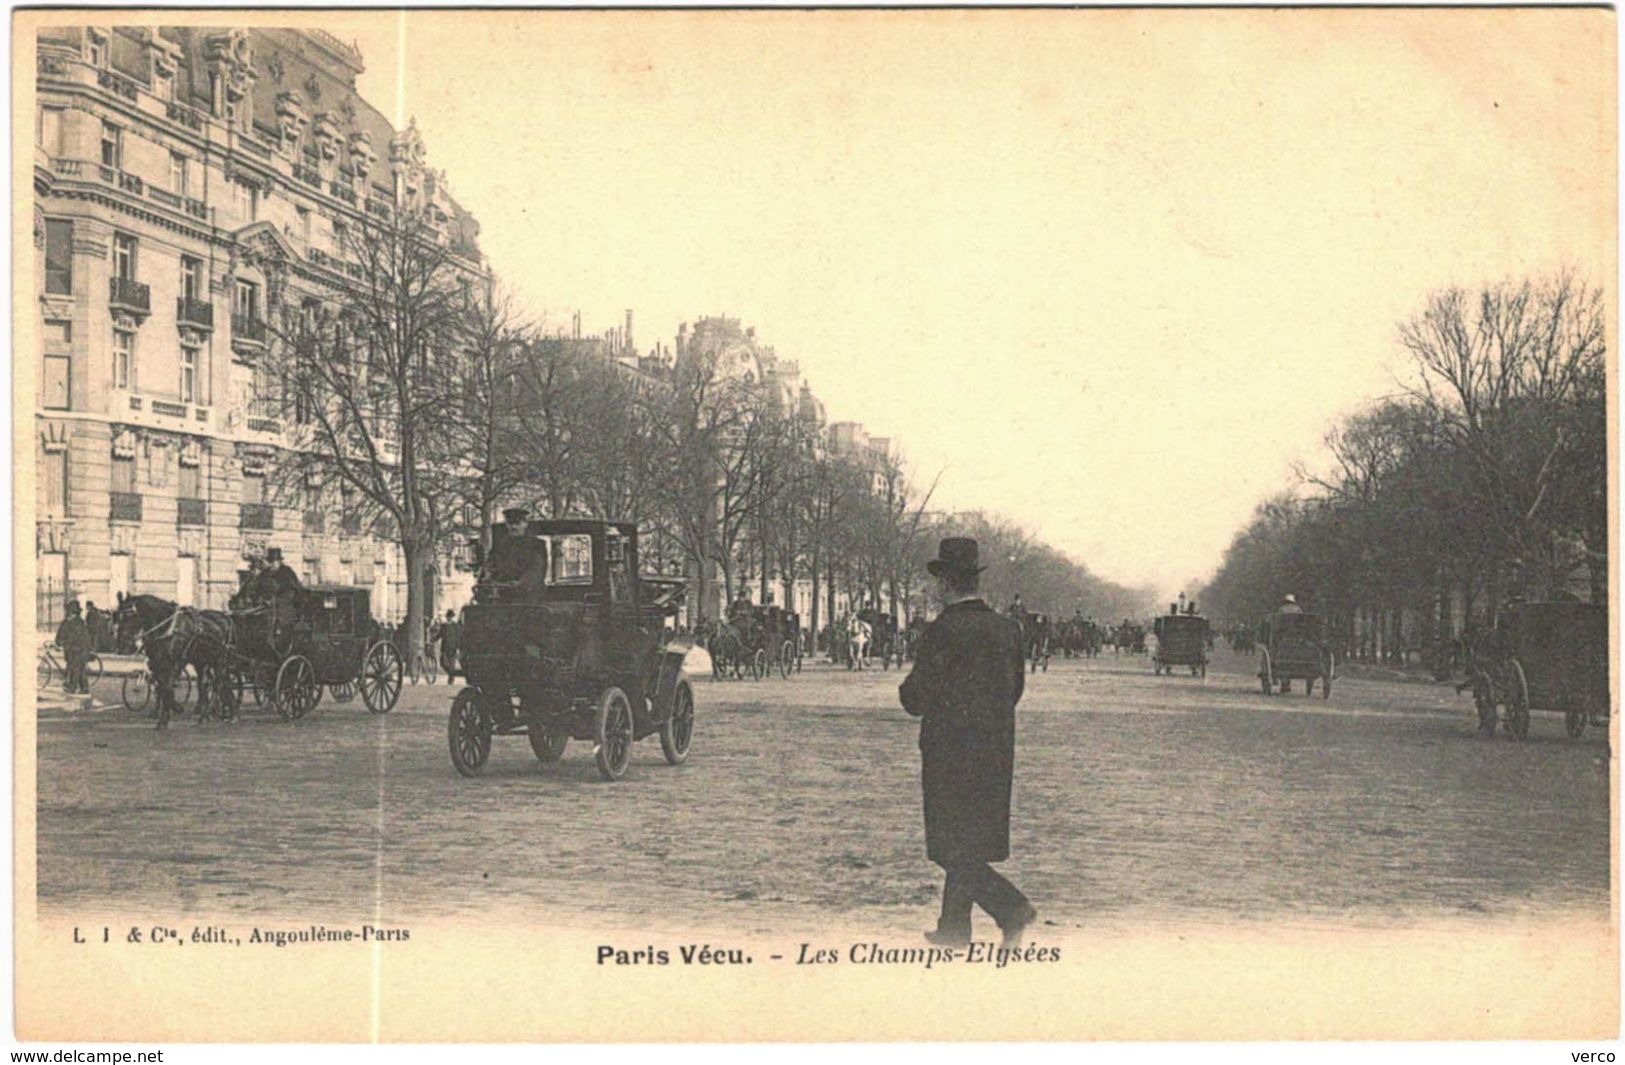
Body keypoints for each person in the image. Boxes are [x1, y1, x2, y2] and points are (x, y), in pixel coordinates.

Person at [899, 537, 1037, 948]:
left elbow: (916, 698)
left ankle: (1011, 908)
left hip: (948, 754)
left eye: (936, 582)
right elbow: (1015, 689)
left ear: (946, 584)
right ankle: (954, 928)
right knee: (971, 841)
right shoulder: (1006, 629)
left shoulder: (942, 631)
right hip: (994, 752)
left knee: (947, 846)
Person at [56, 600, 93, 694]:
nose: (68, 614)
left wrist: (62, 642)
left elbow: (73, 637)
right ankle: (84, 688)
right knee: (80, 670)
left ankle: (73, 687)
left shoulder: (76, 623)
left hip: (78, 650)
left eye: (70, 612)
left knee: (75, 669)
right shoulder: (76, 622)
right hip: (77, 650)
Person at [438, 609, 462, 677]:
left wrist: (458, 647)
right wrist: (432, 640)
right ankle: (450, 672)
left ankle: (451, 677)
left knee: (452, 663)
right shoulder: (444, 626)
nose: (449, 618)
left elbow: (458, 637)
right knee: (443, 663)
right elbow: (439, 634)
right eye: (448, 617)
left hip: (453, 647)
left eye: (450, 617)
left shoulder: (455, 626)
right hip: (445, 647)